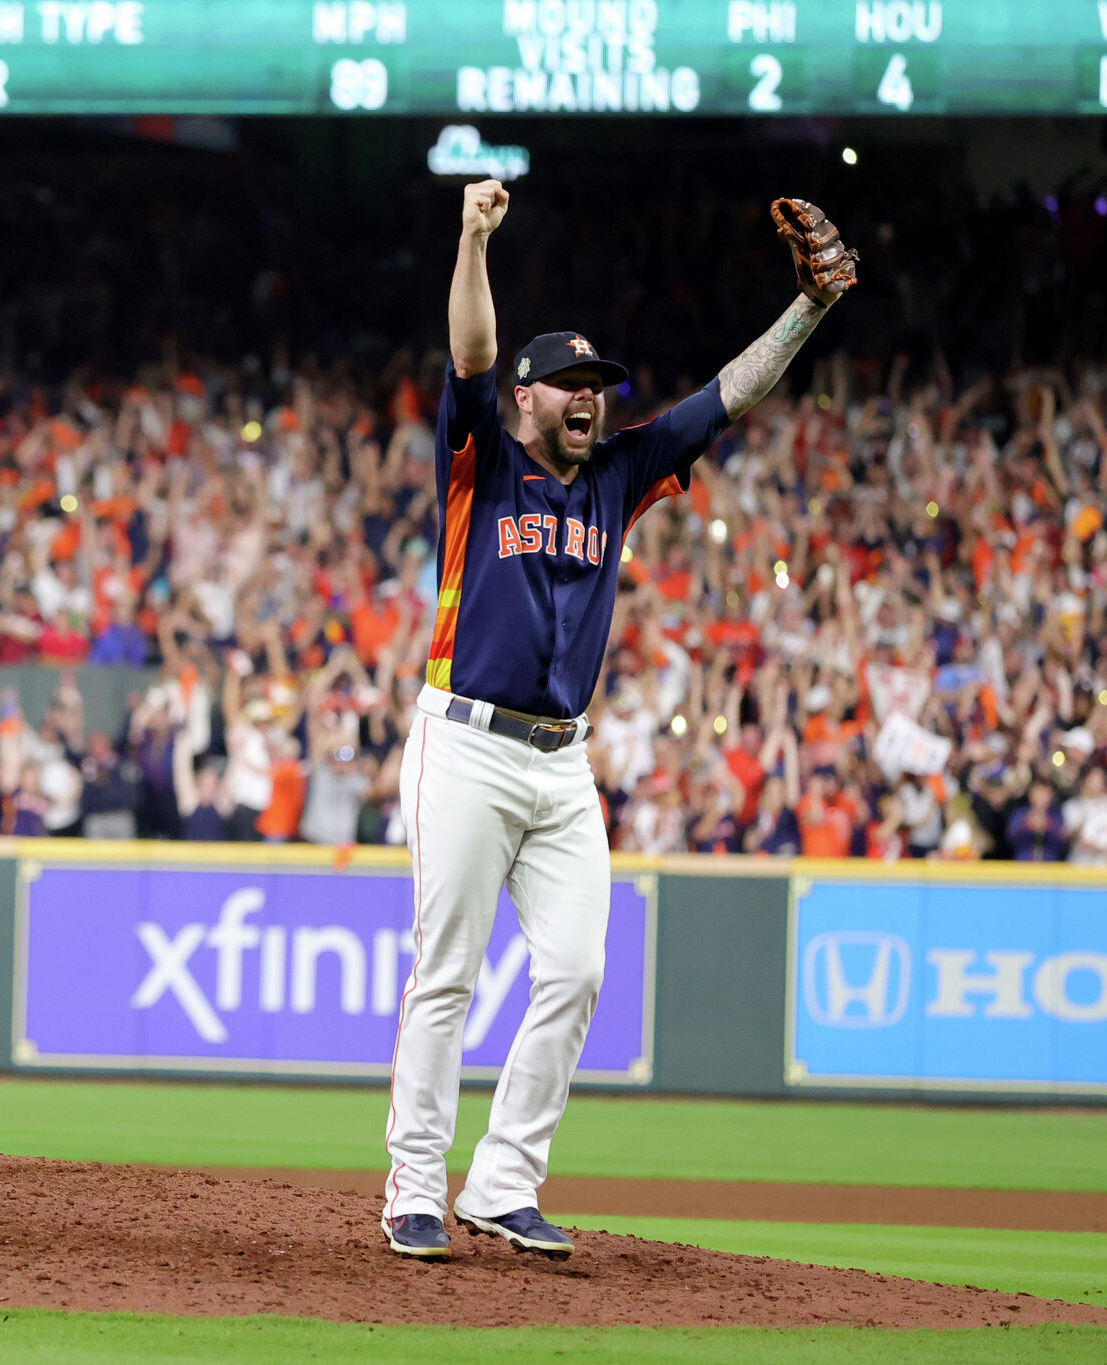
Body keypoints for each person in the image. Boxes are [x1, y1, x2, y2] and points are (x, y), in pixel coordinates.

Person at [380, 180, 854, 1261]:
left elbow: (725, 397)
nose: (588, 398)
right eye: (568, 385)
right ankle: (414, 1185)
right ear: (526, 397)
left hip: (560, 765)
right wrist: (470, 238)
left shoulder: (621, 473)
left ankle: (502, 1182)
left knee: (578, 970)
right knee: (445, 972)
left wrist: (810, 309)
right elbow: (467, 353)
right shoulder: (481, 459)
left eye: (597, 385)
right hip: (460, 741)